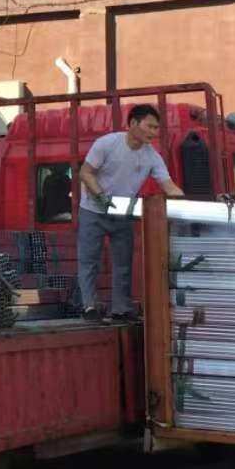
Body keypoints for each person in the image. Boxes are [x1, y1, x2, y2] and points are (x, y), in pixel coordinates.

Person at [76, 104, 185, 321]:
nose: (153, 132)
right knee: (89, 260)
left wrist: (189, 204)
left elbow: (169, 186)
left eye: (156, 128)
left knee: (123, 263)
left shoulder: (152, 157)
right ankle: (88, 306)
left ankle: (120, 309)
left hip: (123, 213)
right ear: (133, 123)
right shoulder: (107, 144)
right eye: (150, 126)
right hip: (93, 210)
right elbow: (85, 173)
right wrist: (101, 196)